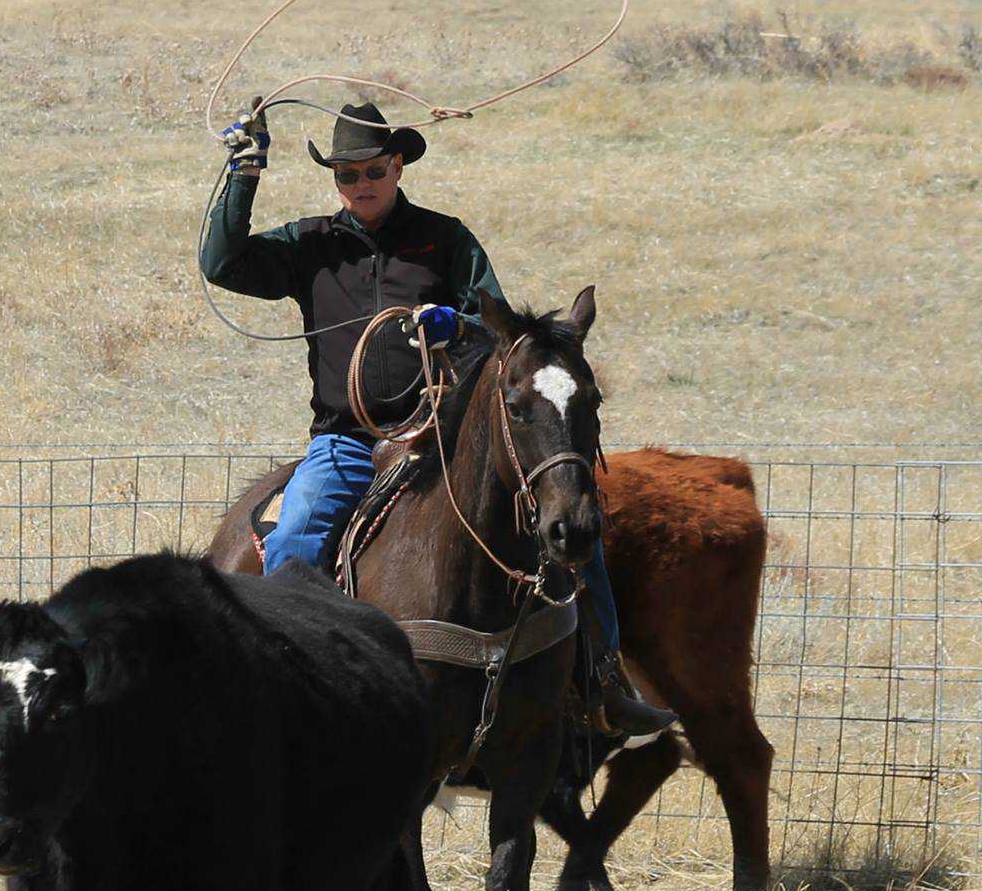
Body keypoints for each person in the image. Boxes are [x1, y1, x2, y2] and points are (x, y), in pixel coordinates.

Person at [201, 100, 674, 739]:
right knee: (295, 539)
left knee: (568, 532)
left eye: (373, 170)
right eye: (347, 175)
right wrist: (244, 173)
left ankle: (602, 683)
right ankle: (291, 695)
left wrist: (459, 323)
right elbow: (221, 264)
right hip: (346, 441)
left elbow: (502, 324)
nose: (361, 185)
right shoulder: (309, 245)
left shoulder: (444, 238)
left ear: (397, 167)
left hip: (443, 436)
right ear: (335, 181)